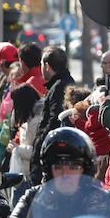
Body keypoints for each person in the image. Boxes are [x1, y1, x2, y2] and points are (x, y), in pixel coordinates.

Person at [28, 46, 74, 184]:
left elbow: (53, 122)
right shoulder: (64, 83)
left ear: (47, 66)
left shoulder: (59, 87)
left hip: (51, 155)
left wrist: (40, 146)